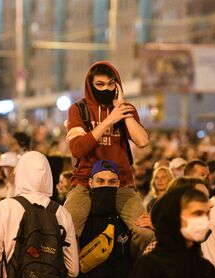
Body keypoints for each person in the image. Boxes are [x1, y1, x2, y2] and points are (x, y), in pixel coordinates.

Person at [64, 61, 151, 252]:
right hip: (85, 183)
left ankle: (135, 274)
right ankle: (71, 277)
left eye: (111, 84)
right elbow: (77, 149)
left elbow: (143, 141)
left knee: (146, 233)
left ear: (117, 86)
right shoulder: (78, 110)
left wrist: (121, 109)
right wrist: (109, 120)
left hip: (121, 183)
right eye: (100, 85)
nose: (106, 88)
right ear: (90, 85)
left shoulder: (126, 109)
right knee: (64, 232)